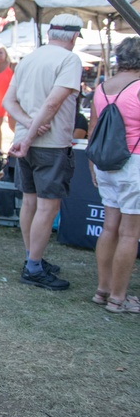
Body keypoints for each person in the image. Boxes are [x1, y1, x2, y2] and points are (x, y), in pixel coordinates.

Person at [4, 13, 84, 291]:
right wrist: (32, 132)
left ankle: (32, 258)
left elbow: (8, 101)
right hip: (51, 144)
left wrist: (27, 129)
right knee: (48, 206)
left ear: (50, 33)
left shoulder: (29, 58)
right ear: (74, 37)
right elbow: (52, 105)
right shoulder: (70, 60)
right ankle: (34, 266)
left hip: (23, 141)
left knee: (30, 202)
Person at [88, 36, 140, 313]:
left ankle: (102, 290)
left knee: (109, 228)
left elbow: (93, 127)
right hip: (134, 163)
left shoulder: (102, 87)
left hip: (105, 164)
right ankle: (119, 298)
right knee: (130, 234)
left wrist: (91, 166)